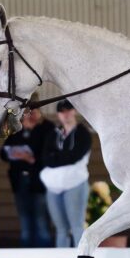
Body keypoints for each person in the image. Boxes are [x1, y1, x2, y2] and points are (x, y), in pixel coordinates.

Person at [0, 93, 55, 250]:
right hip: (20, 182)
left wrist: (33, 159)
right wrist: (15, 153)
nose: (29, 114)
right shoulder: (16, 128)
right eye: (26, 111)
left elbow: (49, 154)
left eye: (33, 110)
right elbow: (3, 153)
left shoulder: (47, 128)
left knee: (41, 222)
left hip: (40, 183)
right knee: (25, 223)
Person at [40, 100, 92, 249]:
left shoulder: (83, 133)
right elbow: (45, 157)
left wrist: (56, 157)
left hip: (75, 183)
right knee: (61, 229)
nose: (66, 114)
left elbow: (75, 156)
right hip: (53, 184)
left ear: (74, 111)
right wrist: (63, 157)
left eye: (69, 110)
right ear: (58, 114)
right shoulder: (54, 134)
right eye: (62, 111)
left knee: (76, 225)